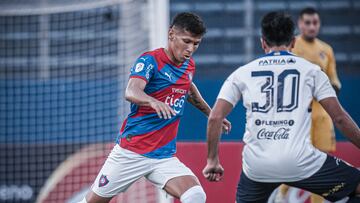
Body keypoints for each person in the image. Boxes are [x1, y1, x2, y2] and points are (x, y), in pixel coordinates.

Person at [202, 11, 360, 203]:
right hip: (301, 162)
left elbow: (215, 117)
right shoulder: (311, 71)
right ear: (293, 42)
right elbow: (340, 118)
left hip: (257, 167)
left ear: (263, 42)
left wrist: (212, 160)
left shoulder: (241, 73)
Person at [80, 12, 231, 203]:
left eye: (196, 43)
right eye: (186, 41)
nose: (190, 49)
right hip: (132, 152)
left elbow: (188, 89)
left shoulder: (188, 65)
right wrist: (153, 101)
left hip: (163, 157)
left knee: (195, 195)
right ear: (171, 35)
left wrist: (212, 113)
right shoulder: (150, 60)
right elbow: (131, 91)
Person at [275, 7, 342, 203]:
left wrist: (329, 88)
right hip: (298, 116)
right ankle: (282, 192)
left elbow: (335, 81)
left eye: (315, 23)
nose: (312, 27)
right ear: (300, 24)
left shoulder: (326, 50)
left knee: (320, 164)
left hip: (322, 116)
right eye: (308, 23)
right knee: (297, 159)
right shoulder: (292, 48)